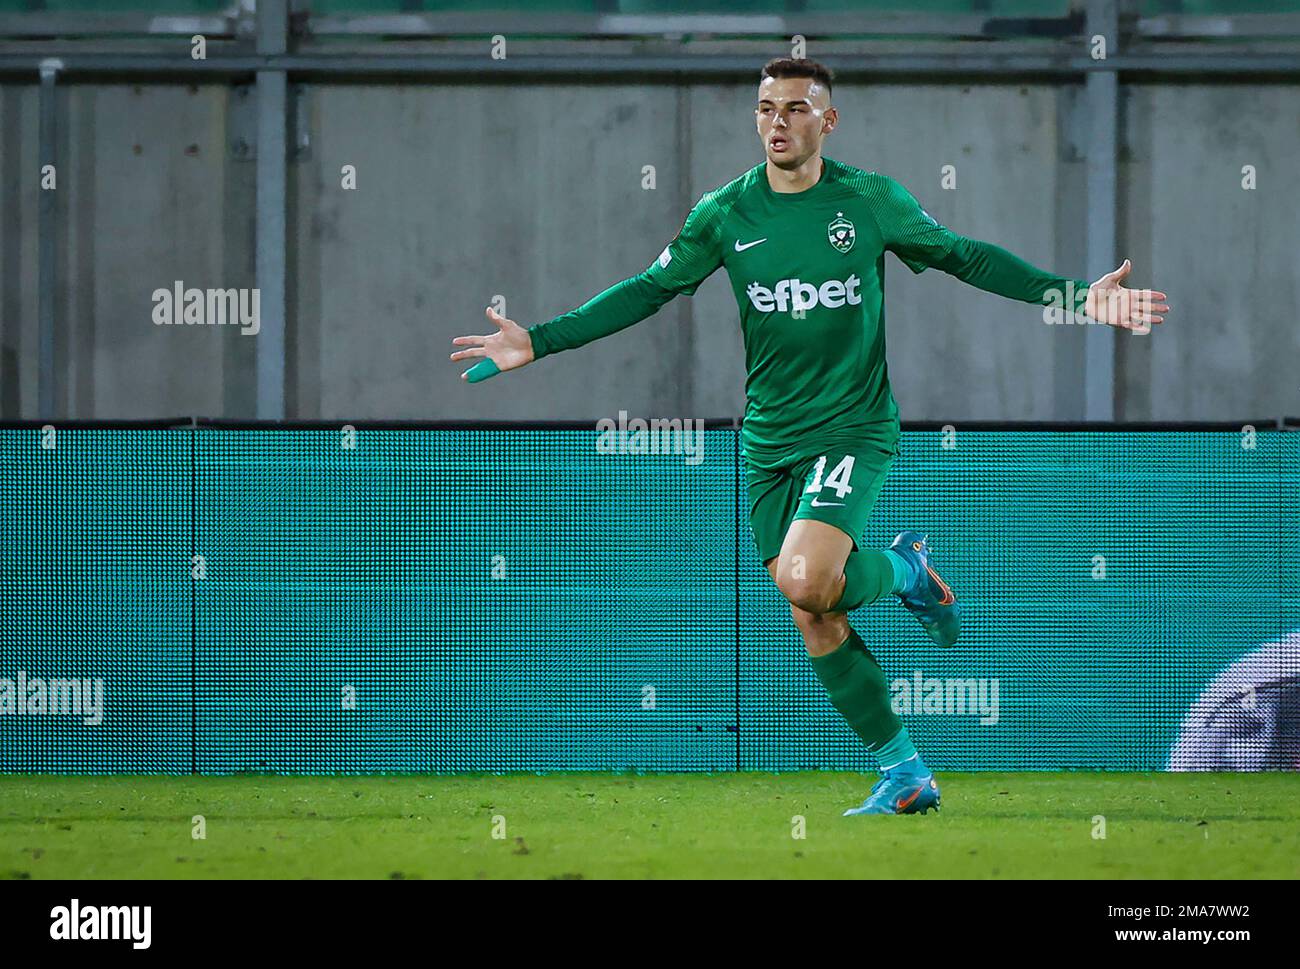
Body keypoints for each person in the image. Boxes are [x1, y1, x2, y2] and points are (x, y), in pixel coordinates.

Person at [451, 58, 1170, 814]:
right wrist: (539, 338)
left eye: (796, 109)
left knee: (804, 577)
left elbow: (964, 256)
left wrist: (1073, 297)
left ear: (827, 122)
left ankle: (902, 571)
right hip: (769, 444)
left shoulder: (869, 203)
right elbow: (648, 288)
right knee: (813, 608)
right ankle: (907, 770)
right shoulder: (724, 214)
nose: (778, 122)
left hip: (853, 427)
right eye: (766, 108)